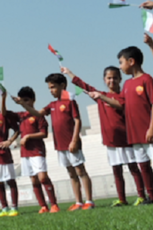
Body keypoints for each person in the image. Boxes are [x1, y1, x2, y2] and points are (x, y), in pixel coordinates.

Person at [93, 45, 153, 203]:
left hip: (150, 131)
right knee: (143, 164)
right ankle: (152, 196)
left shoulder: (147, 80)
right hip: (134, 133)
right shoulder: (127, 85)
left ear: (131, 61)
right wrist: (101, 97)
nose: (120, 66)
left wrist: (152, 128)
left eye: (121, 62)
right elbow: (120, 104)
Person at [61, 65, 146, 206]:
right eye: (109, 78)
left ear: (120, 79)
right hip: (111, 141)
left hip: (126, 139)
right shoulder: (100, 95)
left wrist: (102, 97)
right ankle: (122, 199)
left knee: (133, 168)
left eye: (115, 78)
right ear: (104, 79)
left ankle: (142, 196)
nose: (112, 80)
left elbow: (120, 105)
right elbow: (83, 85)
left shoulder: (124, 95)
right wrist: (69, 73)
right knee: (116, 171)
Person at [14, 74, 94, 211]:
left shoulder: (70, 102)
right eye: (49, 88)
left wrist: (75, 140)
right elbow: (38, 113)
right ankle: (79, 202)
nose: (51, 90)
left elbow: (77, 121)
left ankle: (89, 201)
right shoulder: (52, 105)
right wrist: (22, 104)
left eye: (53, 87)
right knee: (71, 173)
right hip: (60, 145)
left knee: (81, 170)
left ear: (62, 86)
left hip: (71, 144)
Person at [2, 87, 59, 213]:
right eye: (22, 100)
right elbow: (4, 113)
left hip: (37, 150)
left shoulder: (38, 115)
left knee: (43, 177)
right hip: (25, 152)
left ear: (33, 100)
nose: (25, 103)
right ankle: (43, 206)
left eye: (27, 100)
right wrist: (4, 98)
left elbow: (44, 134)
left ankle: (54, 204)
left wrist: (28, 136)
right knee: (33, 179)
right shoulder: (21, 116)